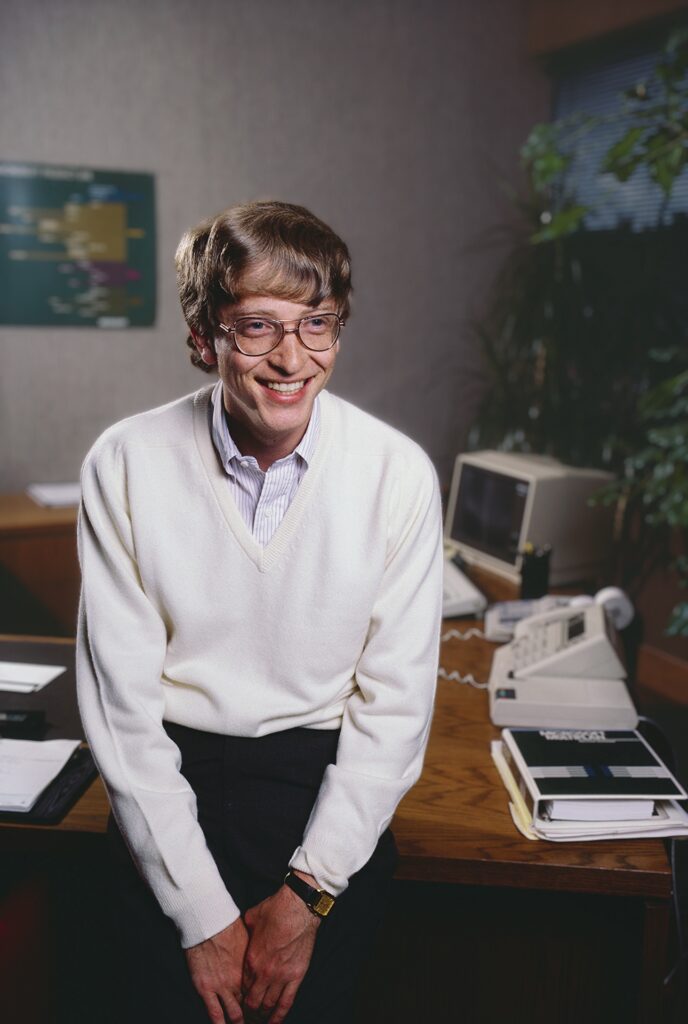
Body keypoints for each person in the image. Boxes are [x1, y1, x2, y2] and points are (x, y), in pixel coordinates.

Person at [76, 200, 443, 1024]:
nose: (291, 357)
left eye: (317, 323)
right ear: (203, 337)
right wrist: (200, 913)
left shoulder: (397, 474)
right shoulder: (125, 462)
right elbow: (123, 719)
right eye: (256, 327)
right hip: (170, 803)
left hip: (323, 806)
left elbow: (394, 714)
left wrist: (308, 897)